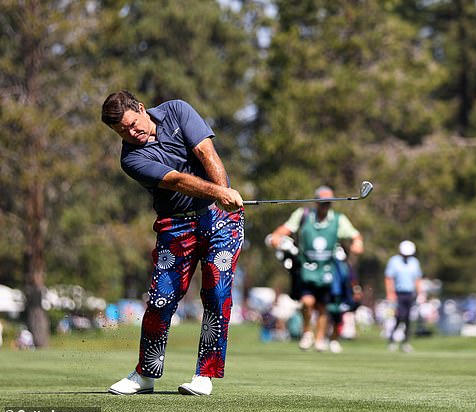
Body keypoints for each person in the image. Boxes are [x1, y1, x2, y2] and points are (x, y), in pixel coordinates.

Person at [101, 90, 244, 396]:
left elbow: (207, 153)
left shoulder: (176, 111)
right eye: (122, 131)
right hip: (175, 225)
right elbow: (177, 180)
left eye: (132, 123)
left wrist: (223, 196)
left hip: (219, 219)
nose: (131, 132)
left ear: (141, 108)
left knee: (217, 294)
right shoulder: (131, 159)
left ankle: (204, 375)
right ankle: (145, 375)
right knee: (161, 299)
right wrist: (220, 193)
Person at [268, 186, 363, 353]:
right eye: (322, 203)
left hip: (327, 270)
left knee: (322, 307)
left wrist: (357, 243)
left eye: (328, 203)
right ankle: (307, 333)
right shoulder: (303, 215)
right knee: (307, 302)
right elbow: (282, 231)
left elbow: (355, 236)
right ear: (316, 202)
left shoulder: (338, 219)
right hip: (306, 268)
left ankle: (319, 339)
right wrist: (276, 238)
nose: (325, 206)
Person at [384, 240, 424, 353]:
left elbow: (417, 279)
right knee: (400, 316)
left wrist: (420, 293)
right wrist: (390, 293)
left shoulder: (414, 262)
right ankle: (392, 340)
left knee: (408, 319)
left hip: (410, 294)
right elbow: (389, 278)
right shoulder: (394, 261)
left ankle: (406, 342)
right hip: (398, 293)